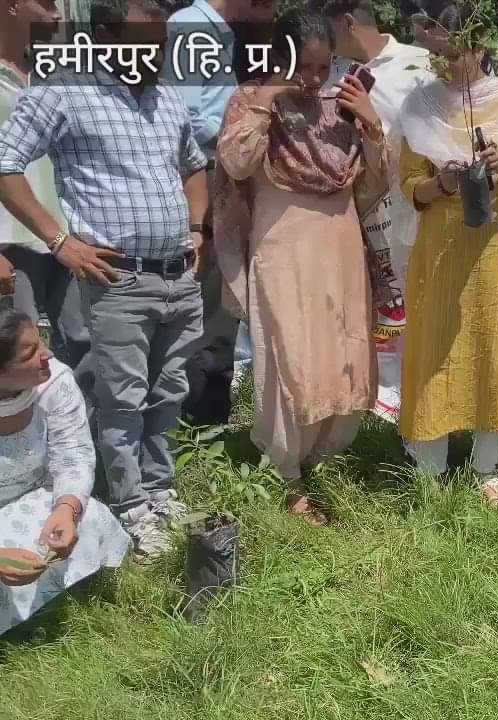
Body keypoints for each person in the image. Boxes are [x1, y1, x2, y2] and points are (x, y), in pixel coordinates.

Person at [0, 0, 208, 560]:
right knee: (120, 399)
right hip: (116, 280)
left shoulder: (166, 97)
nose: (158, 52)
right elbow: (5, 164)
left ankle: (159, 492)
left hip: (177, 278)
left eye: (162, 41)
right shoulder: (65, 91)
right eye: (147, 40)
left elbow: (194, 166)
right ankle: (130, 506)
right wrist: (58, 241)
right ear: (108, 35)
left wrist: (197, 228)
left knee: (169, 392)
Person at [213, 10, 387, 526]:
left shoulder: (342, 106)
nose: (314, 80)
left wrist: (372, 124)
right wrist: (268, 102)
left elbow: (372, 187)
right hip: (284, 250)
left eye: (322, 67)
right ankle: (287, 474)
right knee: (289, 356)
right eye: (304, 68)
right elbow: (237, 163)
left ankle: (325, 460)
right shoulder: (249, 100)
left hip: (339, 250)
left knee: (343, 351)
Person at [396, 0, 498, 505]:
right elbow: (407, 187)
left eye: (456, 51)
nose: (449, 63)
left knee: (496, 349)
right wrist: (442, 182)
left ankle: (484, 467)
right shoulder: (420, 104)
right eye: (439, 53)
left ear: (478, 44)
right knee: (436, 351)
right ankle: (428, 466)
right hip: (442, 254)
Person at [164, 0, 277, 426]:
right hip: (206, 177)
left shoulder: (226, 32)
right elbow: (185, 120)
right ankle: (198, 425)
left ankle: (209, 419)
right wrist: (248, 123)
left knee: (223, 310)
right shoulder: (192, 27)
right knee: (210, 309)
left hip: (227, 173)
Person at [321, 0, 432, 425]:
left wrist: (374, 125)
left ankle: (412, 407)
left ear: (348, 22)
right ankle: (374, 406)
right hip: (353, 213)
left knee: (412, 308)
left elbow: (437, 135)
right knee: (367, 309)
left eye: (330, 30)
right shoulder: (330, 71)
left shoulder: (418, 65)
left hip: (411, 211)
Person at [0, 306, 129, 635]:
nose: (47, 354)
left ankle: (53, 605)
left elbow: (73, 454)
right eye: (30, 352)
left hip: (33, 500)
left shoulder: (54, 382)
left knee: (91, 517)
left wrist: (66, 509)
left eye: (40, 341)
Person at [0, 0, 90, 374]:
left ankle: (80, 433)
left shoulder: (55, 73)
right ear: (13, 6)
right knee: (15, 358)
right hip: (11, 241)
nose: (58, 14)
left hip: (69, 237)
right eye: (48, 4)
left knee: (84, 350)